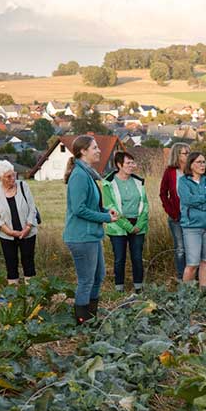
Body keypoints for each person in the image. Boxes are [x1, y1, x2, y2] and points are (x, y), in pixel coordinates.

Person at [63, 136, 117, 323]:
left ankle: (91, 317)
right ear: (83, 151)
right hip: (81, 236)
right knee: (86, 280)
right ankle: (82, 320)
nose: (99, 150)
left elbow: (90, 206)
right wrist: (105, 217)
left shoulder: (87, 174)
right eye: (94, 148)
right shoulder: (79, 175)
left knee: (98, 276)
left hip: (91, 235)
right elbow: (79, 209)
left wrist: (105, 211)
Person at [101, 150, 148, 292]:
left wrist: (139, 225)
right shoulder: (108, 183)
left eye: (133, 162)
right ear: (119, 165)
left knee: (137, 258)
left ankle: (139, 287)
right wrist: (128, 226)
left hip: (138, 226)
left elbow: (145, 204)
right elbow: (111, 207)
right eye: (128, 163)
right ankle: (119, 288)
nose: (132, 165)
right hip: (118, 227)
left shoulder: (139, 182)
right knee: (119, 258)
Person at [0, 159, 39, 286]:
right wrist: (10, 232)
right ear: (0, 178)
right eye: (8, 176)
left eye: (13, 174)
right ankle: (14, 296)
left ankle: (32, 295)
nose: (13, 178)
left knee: (28, 262)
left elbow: (32, 209)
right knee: (11, 264)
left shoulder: (23, 185)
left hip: (27, 232)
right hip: (6, 235)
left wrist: (27, 227)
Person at [177, 151, 206, 289]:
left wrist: (198, 203)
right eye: (199, 162)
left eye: (204, 162)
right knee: (192, 263)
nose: (202, 165)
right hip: (192, 227)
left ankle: (202, 291)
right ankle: (185, 294)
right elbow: (187, 199)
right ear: (191, 164)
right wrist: (205, 198)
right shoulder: (183, 181)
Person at [159, 142, 190, 280]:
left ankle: (192, 278)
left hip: (193, 217)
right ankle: (180, 278)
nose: (188, 155)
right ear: (177, 155)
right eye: (185, 153)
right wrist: (170, 211)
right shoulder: (170, 172)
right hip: (176, 217)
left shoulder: (193, 170)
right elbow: (163, 193)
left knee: (193, 248)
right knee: (180, 249)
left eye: (189, 152)